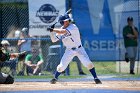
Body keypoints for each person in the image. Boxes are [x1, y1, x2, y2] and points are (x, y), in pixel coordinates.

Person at [47, 14, 102, 84]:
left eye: (68, 20)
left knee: (88, 64)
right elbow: (53, 40)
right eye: (65, 21)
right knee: (61, 67)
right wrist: (51, 32)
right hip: (69, 50)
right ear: (61, 22)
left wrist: (53, 29)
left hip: (79, 49)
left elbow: (63, 32)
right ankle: (55, 78)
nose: (67, 22)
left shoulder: (73, 27)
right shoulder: (60, 30)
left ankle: (96, 78)